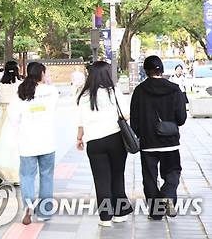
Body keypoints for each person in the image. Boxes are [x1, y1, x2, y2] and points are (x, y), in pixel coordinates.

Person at [76, 61, 133, 227]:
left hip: (94, 142)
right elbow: (126, 114)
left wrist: (79, 138)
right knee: (117, 176)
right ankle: (120, 213)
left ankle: (105, 217)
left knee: (100, 179)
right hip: (115, 139)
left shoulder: (83, 95)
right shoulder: (113, 92)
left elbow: (80, 122)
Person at [131, 56, 187, 220]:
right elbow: (181, 118)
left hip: (148, 143)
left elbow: (134, 119)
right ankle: (168, 194)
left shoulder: (140, 91)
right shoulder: (175, 89)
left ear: (145, 70)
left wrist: (142, 133)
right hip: (170, 142)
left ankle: (156, 213)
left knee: (149, 178)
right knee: (173, 172)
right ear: (161, 69)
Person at [8, 62, 59, 225]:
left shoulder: (20, 92)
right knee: (47, 177)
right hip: (47, 142)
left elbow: (13, 118)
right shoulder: (51, 91)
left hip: (27, 142)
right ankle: (44, 212)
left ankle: (28, 207)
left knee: (27, 177)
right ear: (42, 74)